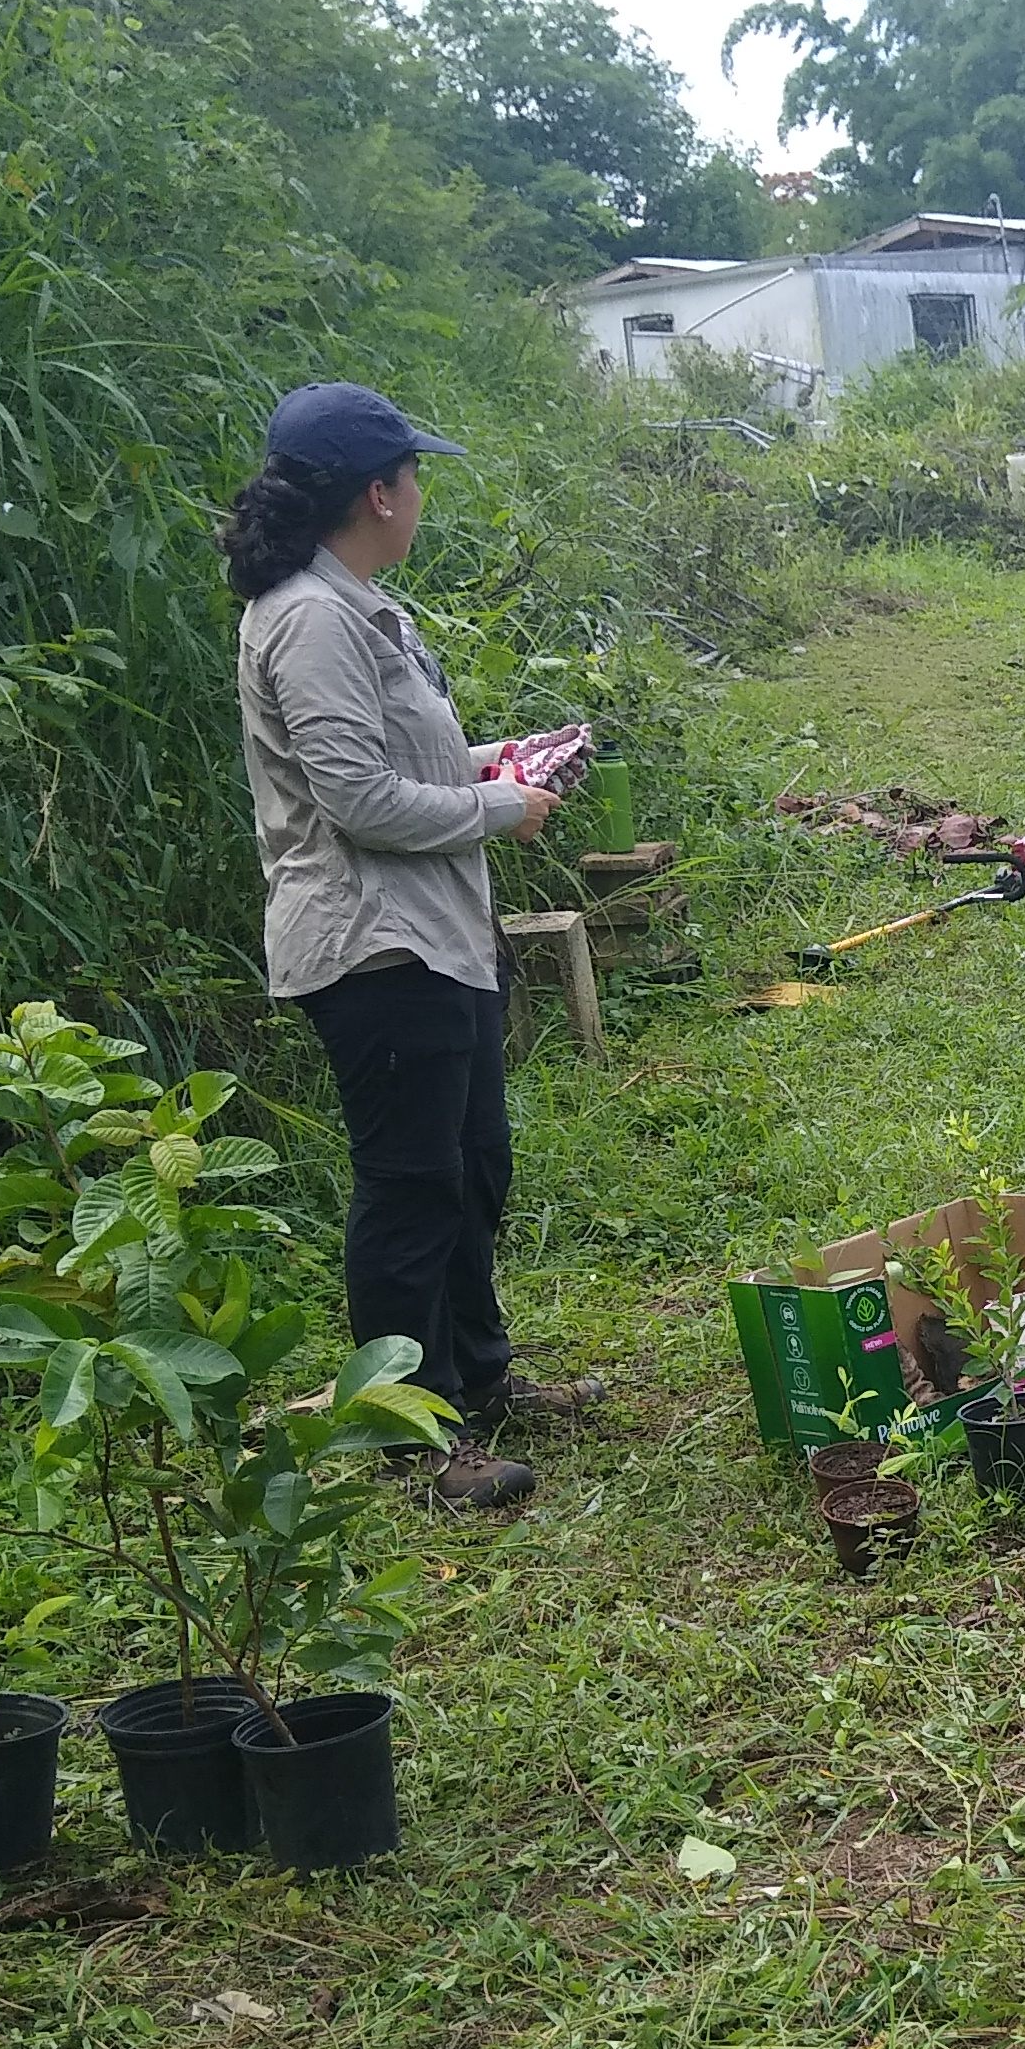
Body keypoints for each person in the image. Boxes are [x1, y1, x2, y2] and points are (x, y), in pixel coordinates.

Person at [221, 380, 598, 1513]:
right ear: (378, 493)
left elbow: (398, 765)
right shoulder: (311, 618)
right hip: (372, 949)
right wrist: (500, 811)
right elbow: (356, 802)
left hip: (436, 938)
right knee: (409, 1189)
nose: (421, 493)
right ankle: (412, 1431)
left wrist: (495, 761)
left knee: (474, 1168)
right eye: (414, 476)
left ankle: (479, 1380)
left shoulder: (358, 604)